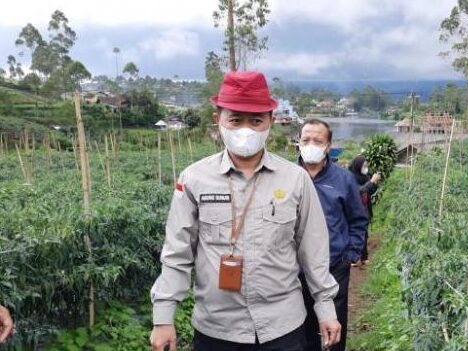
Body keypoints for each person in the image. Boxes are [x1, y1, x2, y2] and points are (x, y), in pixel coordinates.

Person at [149, 71, 341, 351]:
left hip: (282, 327)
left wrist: (325, 309)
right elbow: (177, 253)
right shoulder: (194, 179)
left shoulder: (295, 179)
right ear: (219, 121)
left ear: (270, 122)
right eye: (235, 120)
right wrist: (163, 318)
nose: (245, 130)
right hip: (217, 329)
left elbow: (314, 251)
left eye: (256, 120)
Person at [297, 119, 369, 351]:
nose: (311, 144)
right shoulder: (287, 176)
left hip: (333, 265)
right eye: (306, 139)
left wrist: (351, 254)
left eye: (318, 141)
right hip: (293, 269)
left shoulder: (344, 179)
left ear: (328, 145)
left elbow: (358, 219)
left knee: (333, 325)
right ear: (298, 142)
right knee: (298, 325)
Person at [347, 155, 381, 265]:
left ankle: (363, 257)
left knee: (364, 234)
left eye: (366, 166)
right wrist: (371, 182)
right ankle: (353, 258)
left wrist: (375, 183)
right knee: (354, 233)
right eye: (364, 166)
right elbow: (358, 191)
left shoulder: (365, 177)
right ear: (358, 166)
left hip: (365, 208)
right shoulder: (350, 177)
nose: (365, 168)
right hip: (353, 209)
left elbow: (368, 191)